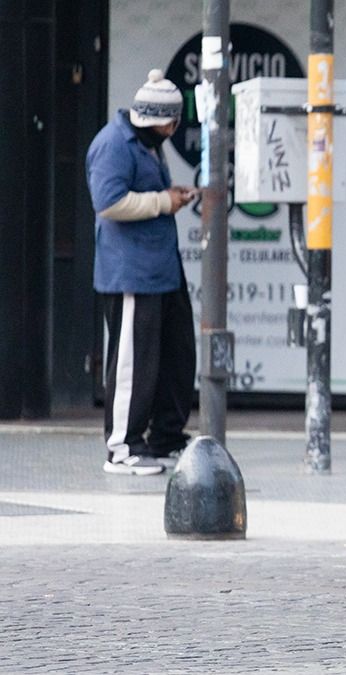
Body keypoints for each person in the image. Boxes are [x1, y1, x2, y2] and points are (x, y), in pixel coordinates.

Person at [87, 69, 197, 476]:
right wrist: (162, 202)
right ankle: (122, 447)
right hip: (131, 271)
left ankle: (165, 436)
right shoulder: (114, 144)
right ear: (158, 120)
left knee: (174, 354)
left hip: (161, 267)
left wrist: (168, 198)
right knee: (133, 361)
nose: (173, 130)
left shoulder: (147, 145)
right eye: (172, 122)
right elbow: (109, 201)